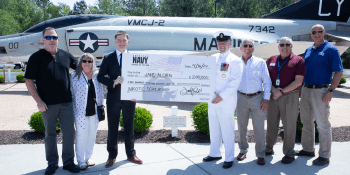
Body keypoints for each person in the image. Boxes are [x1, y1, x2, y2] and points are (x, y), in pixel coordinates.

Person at [24, 27, 80, 175]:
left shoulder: (66, 55)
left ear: (58, 39)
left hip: (67, 103)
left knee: (69, 133)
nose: (51, 40)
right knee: (50, 134)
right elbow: (28, 80)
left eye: (54, 37)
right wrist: (39, 101)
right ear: (43, 40)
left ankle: (68, 162)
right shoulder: (36, 57)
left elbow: (83, 69)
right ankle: (52, 163)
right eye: (48, 38)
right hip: (47, 105)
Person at [296, 24, 343, 166]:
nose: (316, 34)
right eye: (314, 32)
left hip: (321, 90)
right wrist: (301, 87)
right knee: (306, 121)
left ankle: (324, 155)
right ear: (311, 34)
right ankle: (308, 149)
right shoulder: (308, 50)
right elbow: (305, 70)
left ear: (324, 33)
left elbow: (338, 72)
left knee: (322, 124)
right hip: (306, 89)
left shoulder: (331, 50)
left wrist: (331, 90)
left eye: (319, 32)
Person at [97, 31, 142, 168]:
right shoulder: (108, 58)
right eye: (119, 40)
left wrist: (137, 94)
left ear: (128, 42)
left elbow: (140, 78)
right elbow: (100, 76)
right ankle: (111, 156)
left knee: (129, 127)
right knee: (112, 128)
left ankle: (131, 154)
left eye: (124, 40)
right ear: (115, 42)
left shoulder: (134, 58)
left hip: (130, 99)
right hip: (113, 98)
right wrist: (113, 82)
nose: (122, 42)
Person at [202, 31, 243, 169]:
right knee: (213, 128)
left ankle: (229, 157)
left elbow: (234, 82)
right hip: (211, 99)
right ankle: (214, 153)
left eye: (225, 43)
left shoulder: (235, 60)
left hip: (225, 101)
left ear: (230, 43)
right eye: (220, 43)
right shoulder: (212, 58)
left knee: (227, 129)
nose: (222, 45)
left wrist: (221, 97)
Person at [265, 37, 305, 164]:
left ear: (291, 46)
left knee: (289, 125)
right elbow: (265, 79)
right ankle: (268, 147)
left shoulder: (298, 60)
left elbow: (298, 81)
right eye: (282, 44)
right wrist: (273, 91)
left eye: (287, 44)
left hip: (289, 96)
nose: (284, 46)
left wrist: (281, 92)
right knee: (271, 123)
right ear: (278, 46)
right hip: (273, 94)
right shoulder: (271, 60)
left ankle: (289, 152)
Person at [236, 39, 271, 165]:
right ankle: (243, 150)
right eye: (245, 45)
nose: (248, 47)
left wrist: (266, 98)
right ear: (241, 48)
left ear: (253, 48)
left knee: (259, 127)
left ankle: (260, 154)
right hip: (240, 98)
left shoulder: (260, 62)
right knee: (241, 126)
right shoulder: (236, 63)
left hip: (257, 98)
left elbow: (267, 82)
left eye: (250, 46)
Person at [71, 53, 104, 170]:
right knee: (81, 136)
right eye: (84, 61)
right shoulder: (75, 76)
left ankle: (88, 157)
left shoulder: (97, 76)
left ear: (92, 63)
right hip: (80, 112)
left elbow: (103, 90)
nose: (87, 63)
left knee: (92, 135)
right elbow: (71, 95)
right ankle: (80, 160)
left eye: (89, 61)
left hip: (94, 111)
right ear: (80, 63)